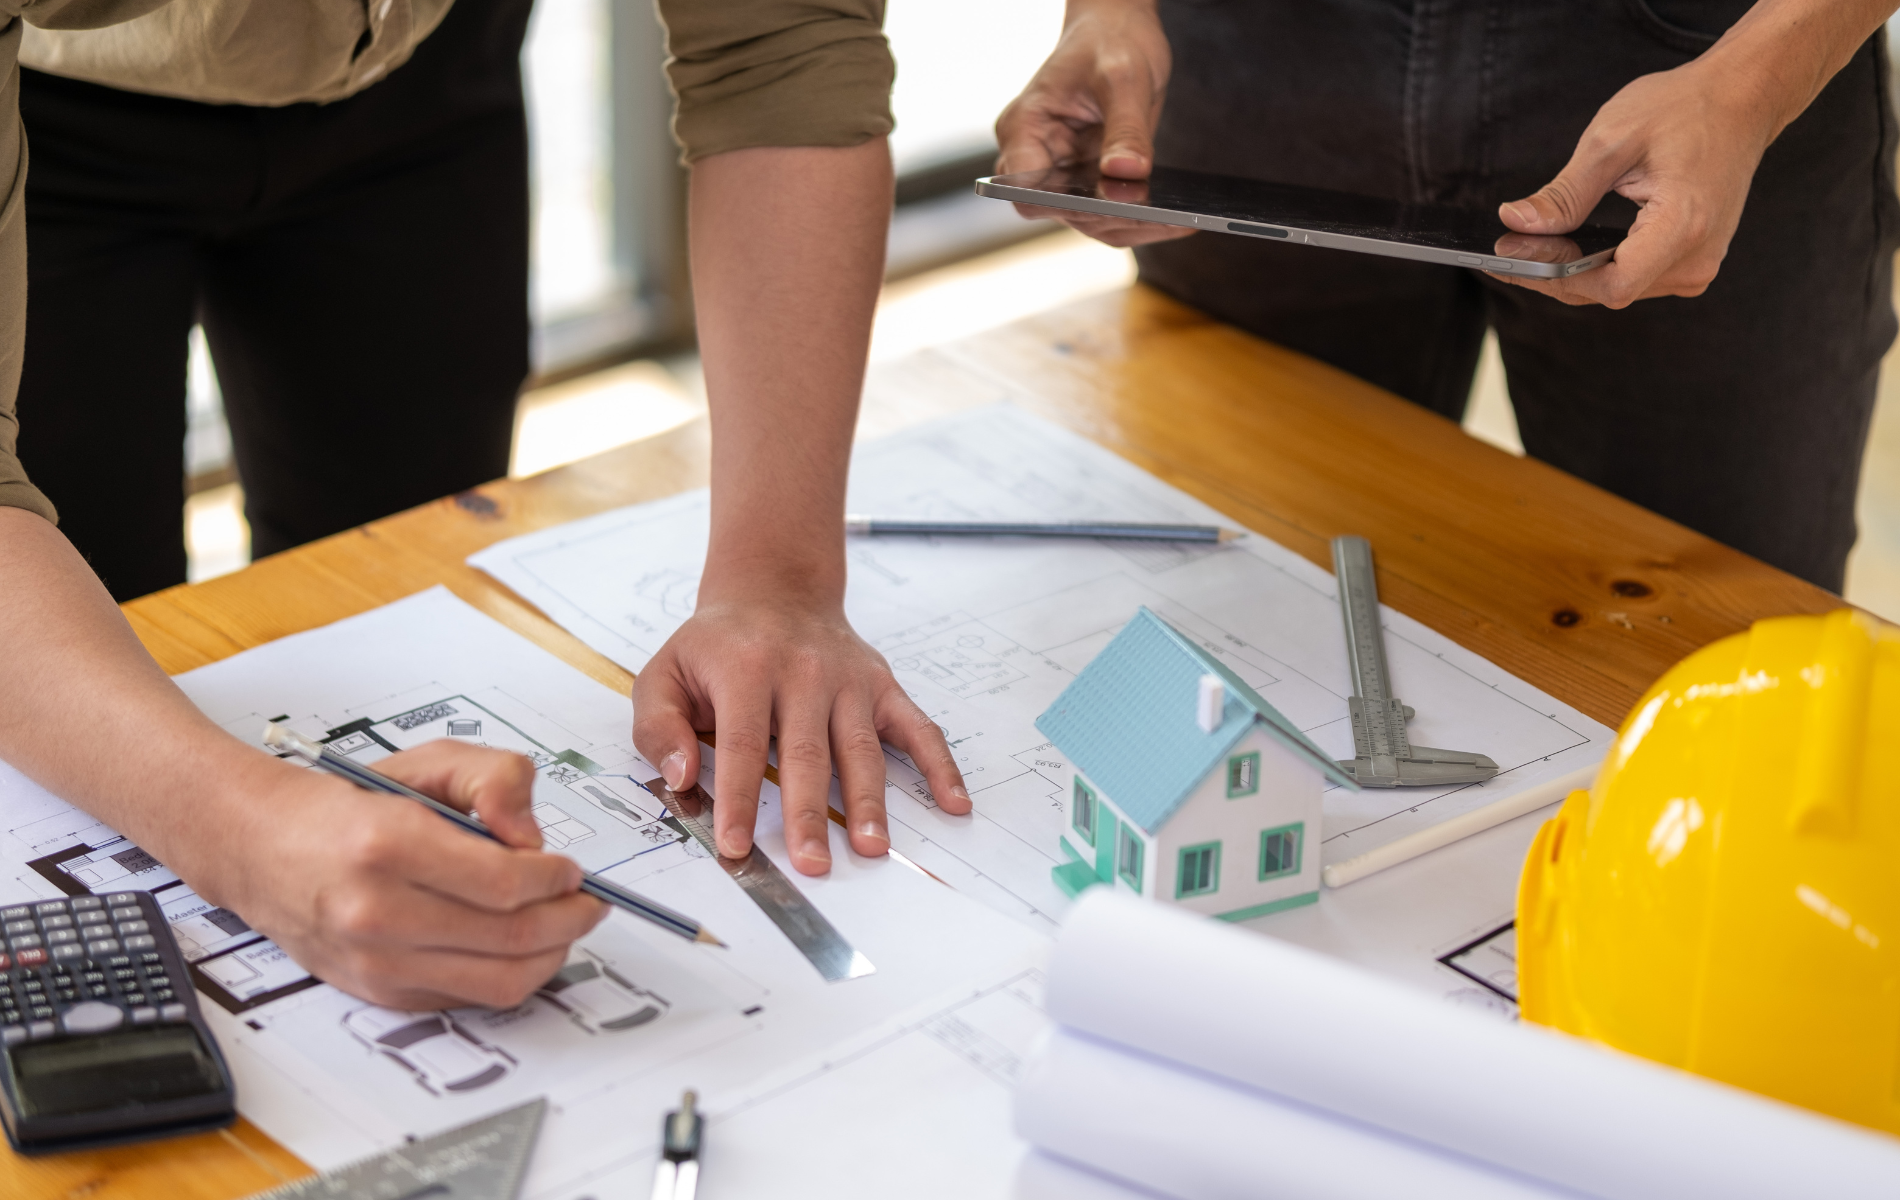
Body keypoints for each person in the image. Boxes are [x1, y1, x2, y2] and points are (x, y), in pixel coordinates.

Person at [0, 0, 966, 1010]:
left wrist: (781, 581)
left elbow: (780, 44)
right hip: (51, 111)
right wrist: (236, 832)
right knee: (88, 676)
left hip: (423, 75)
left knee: (386, 615)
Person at [994, 0, 1900, 593]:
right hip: (1254, 52)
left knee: (1717, 658)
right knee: (1244, 605)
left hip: (1710, 54)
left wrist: (1753, 81)